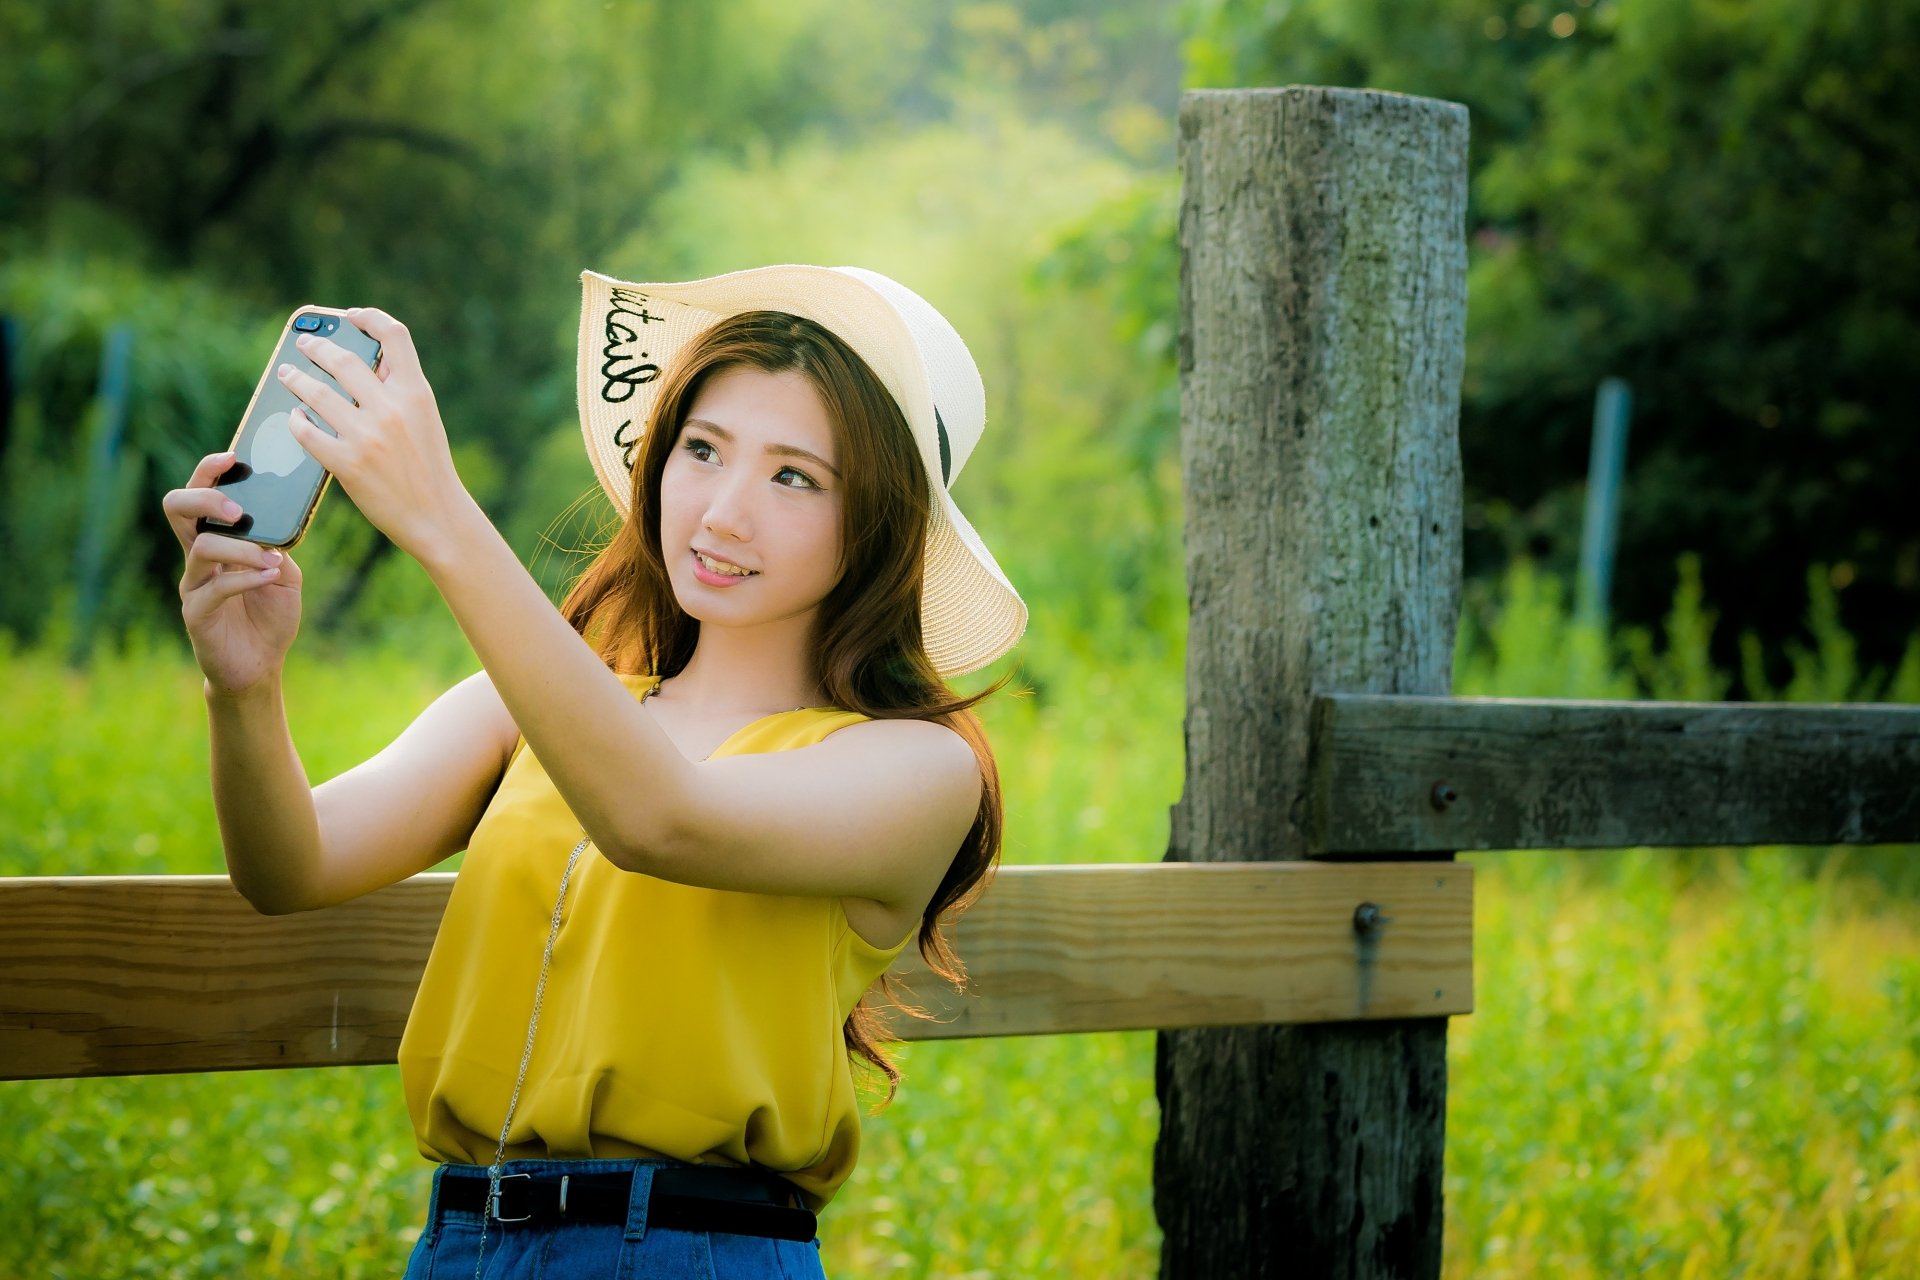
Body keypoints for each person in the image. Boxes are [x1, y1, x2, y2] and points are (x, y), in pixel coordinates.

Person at [162, 265, 1027, 1278]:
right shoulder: (538, 710)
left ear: (875, 524)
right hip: (458, 1240)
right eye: (703, 450)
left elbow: (661, 819)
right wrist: (246, 688)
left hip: (692, 1249)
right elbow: (291, 865)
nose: (724, 512)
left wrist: (442, 516)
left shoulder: (916, 768)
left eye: (796, 476)